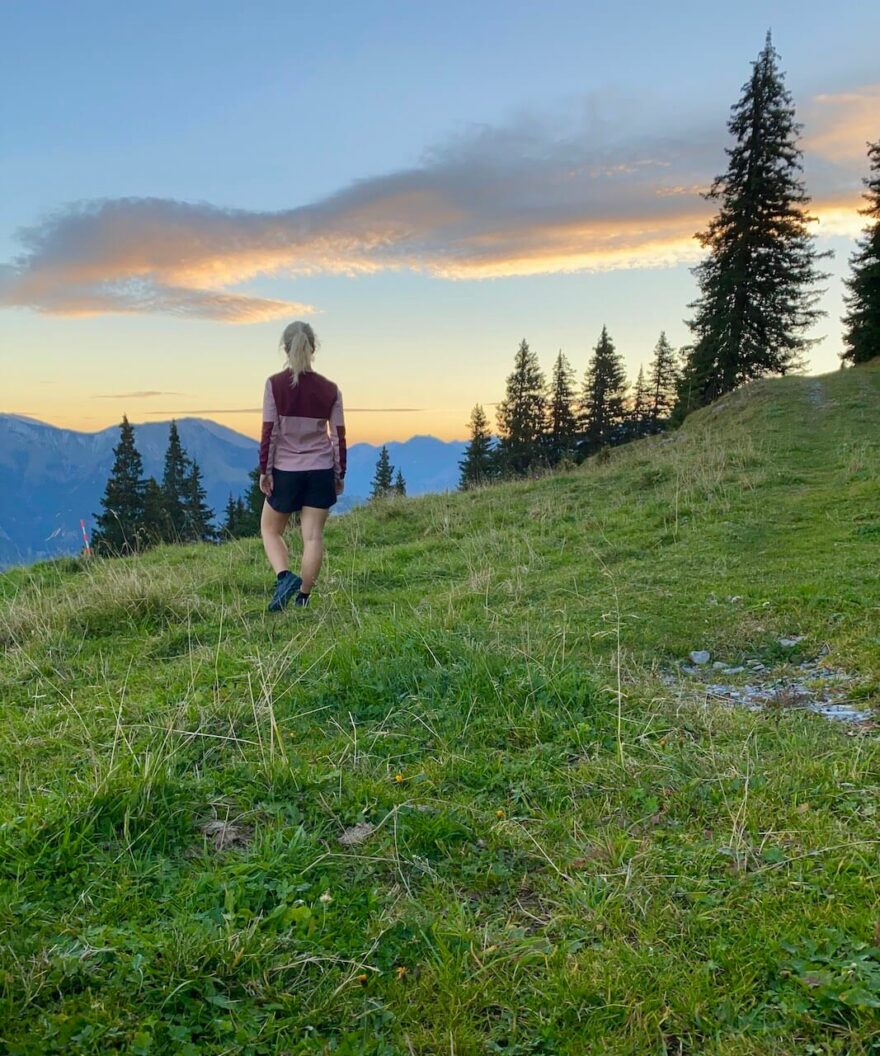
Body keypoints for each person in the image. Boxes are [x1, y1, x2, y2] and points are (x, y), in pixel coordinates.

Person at [258, 321, 346, 611]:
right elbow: (338, 436)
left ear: (285, 349)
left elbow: (269, 432)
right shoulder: (330, 389)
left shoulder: (274, 385)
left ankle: (284, 577)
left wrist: (265, 471)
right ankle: (303, 599)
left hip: (286, 471)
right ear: (313, 348)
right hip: (320, 470)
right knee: (312, 537)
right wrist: (338, 473)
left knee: (270, 529)